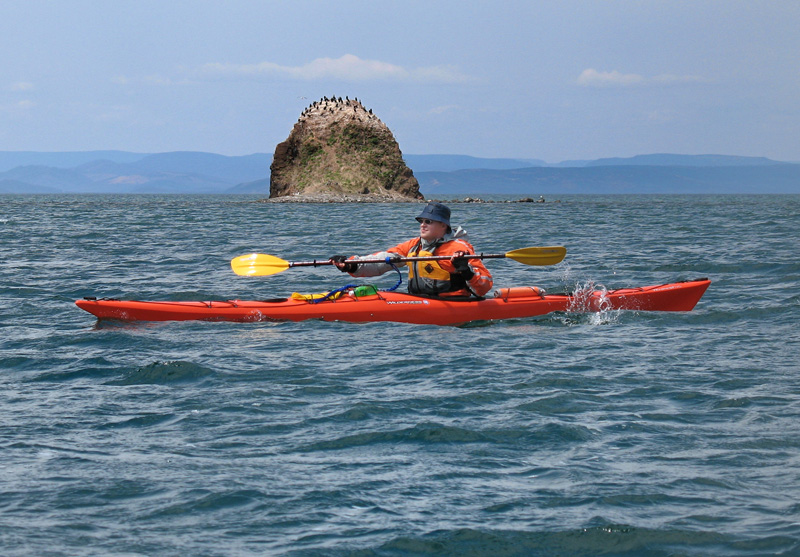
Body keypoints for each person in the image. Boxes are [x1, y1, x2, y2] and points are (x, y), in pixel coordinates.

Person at [330, 202, 493, 297]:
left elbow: (484, 286)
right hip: (419, 300)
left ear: (443, 225)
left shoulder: (458, 248)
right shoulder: (413, 246)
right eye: (421, 221)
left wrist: (466, 271)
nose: (423, 224)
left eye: (429, 221)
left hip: (454, 304)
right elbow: (381, 262)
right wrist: (351, 264)